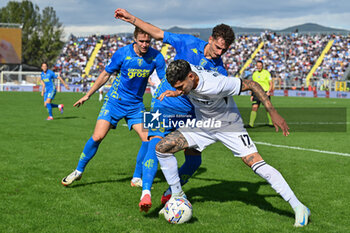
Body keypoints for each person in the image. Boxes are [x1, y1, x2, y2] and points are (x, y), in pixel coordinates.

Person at [156, 59, 310, 227]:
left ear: (191, 76)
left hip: (229, 125)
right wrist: (177, 93)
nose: (178, 90)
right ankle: (177, 196)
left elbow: (252, 84)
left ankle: (299, 207)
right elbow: (184, 85)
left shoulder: (217, 84)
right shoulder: (186, 71)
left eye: (180, 87)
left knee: (256, 163)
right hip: (204, 124)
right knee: (163, 148)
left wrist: (272, 112)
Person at [115, 8, 235, 212]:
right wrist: (132, 19)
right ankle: (146, 193)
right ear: (211, 39)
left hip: (189, 114)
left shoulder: (220, 70)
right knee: (154, 143)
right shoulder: (188, 42)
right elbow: (158, 33)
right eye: (217, 47)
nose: (219, 53)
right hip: (160, 103)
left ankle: (170, 194)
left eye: (224, 50)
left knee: (194, 160)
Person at [61, 27, 166, 186]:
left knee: (148, 139)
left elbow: (165, 80)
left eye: (148, 41)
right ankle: (78, 171)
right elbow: (105, 74)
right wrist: (88, 94)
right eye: (141, 41)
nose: (145, 45)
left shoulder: (156, 57)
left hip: (136, 105)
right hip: (114, 101)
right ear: (135, 39)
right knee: (98, 137)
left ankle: (136, 177)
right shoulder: (122, 53)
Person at [245, 61, 274, 128]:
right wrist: (252, 94)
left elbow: (271, 83)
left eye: (260, 65)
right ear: (256, 66)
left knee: (268, 108)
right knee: (254, 107)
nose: (259, 67)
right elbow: (253, 85)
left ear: (262, 66)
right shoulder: (254, 74)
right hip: (256, 93)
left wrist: (269, 91)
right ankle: (250, 124)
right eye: (258, 65)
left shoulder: (266, 73)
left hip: (265, 93)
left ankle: (271, 123)